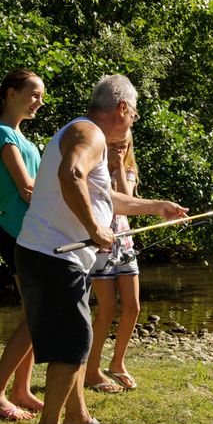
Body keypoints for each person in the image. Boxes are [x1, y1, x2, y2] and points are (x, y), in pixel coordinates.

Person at [15, 74, 188, 424]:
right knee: (74, 342)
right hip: (52, 256)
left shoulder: (83, 132)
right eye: (135, 115)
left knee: (76, 339)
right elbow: (70, 174)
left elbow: (103, 195)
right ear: (122, 109)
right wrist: (95, 228)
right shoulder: (88, 134)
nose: (133, 122)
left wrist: (156, 205)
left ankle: (77, 416)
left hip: (47, 253)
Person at [0, 68, 46, 421]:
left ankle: (21, 390)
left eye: (41, 96)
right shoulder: (3, 134)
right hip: (19, 234)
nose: (39, 102)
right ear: (10, 94)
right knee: (36, 315)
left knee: (33, 313)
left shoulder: (19, 135)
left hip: (30, 233)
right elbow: (28, 188)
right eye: (33, 94)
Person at [84, 130, 142, 393]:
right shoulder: (94, 167)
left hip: (125, 243)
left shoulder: (127, 168)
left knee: (133, 307)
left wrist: (119, 165)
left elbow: (128, 200)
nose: (120, 148)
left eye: (124, 145)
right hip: (100, 247)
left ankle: (117, 363)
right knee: (107, 309)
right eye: (114, 145)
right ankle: (91, 369)